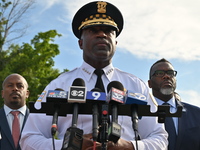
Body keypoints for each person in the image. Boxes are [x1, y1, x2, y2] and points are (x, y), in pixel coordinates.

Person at [20, 1, 168, 150]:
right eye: (93, 30)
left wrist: (130, 146)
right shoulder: (59, 85)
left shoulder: (135, 85)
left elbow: (160, 139)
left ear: (115, 42)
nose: (102, 34)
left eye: (108, 31)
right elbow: (28, 139)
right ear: (80, 43)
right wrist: (69, 145)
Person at [148, 58, 200, 150]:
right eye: (159, 73)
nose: (166, 76)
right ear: (150, 83)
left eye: (170, 73)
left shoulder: (196, 114)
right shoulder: (139, 113)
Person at [0, 73, 30, 150]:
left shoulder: (37, 120)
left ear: (27, 93)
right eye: (10, 85)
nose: (15, 89)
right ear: (2, 93)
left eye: (20, 86)